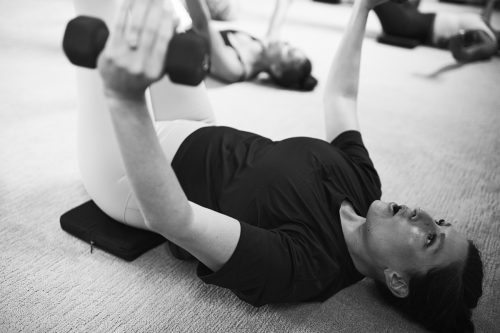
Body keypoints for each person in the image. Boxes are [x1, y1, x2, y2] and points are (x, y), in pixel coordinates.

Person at [76, 0, 483, 331]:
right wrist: (363, 7)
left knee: (102, 18)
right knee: (154, 11)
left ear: (397, 279)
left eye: (429, 238)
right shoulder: (364, 185)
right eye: (440, 222)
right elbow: (340, 97)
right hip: (199, 125)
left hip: (128, 173)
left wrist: (126, 99)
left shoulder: (303, 267)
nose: (422, 214)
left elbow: (175, 220)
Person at [185, 0, 318, 90]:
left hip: (174, 30)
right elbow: (283, 5)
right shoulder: (266, 45)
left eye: (288, 51)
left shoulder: (234, 68)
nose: (286, 43)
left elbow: (201, 25)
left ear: (276, 69)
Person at [374, 0, 499, 63]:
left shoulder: (490, 43)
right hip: (414, 14)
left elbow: (464, 55)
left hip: (409, 25)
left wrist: (456, 42)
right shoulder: (486, 24)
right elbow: (487, 11)